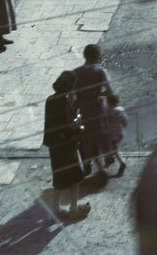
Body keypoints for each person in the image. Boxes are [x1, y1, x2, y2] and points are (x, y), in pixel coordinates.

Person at [43, 71, 89, 219]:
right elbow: (66, 125)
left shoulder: (50, 99)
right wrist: (78, 125)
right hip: (66, 145)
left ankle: (55, 208)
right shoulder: (64, 101)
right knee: (76, 176)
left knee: (58, 177)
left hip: (54, 145)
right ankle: (73, 208)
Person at [73, 44, 114, 178]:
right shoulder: (100, 72)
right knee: (103, 132)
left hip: (83, 109)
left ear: (84, 56)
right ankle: (107, 156)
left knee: (85, 137)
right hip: (98, 108)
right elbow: (109, 92)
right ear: (97, 57)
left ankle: (87, 162)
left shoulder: (76, 72)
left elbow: (72, 95)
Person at [100, 92, 128, 177]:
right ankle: (109, 159)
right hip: (120, 132)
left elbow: (104, 120)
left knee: (114, 149)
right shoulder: (121, 109)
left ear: (109, 102)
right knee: (113, 147)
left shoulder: (108, 110)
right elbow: (125, 120)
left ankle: (122, 163)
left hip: (113, 133)